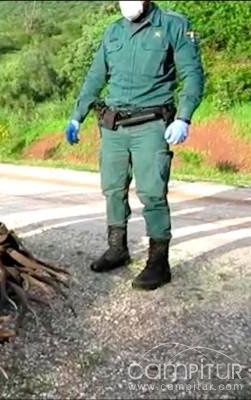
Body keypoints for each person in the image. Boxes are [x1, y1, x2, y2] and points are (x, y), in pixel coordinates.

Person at [64, 0, 203, 290]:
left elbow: (192, 74)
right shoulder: (113, 31)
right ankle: (117, 249)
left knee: (152, 192)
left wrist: (183, 117)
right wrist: (77, 115)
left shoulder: (173, 25)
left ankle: (159, 263)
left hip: (151, 124)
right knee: (112, 189)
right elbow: (95, 76)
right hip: (113, 125)